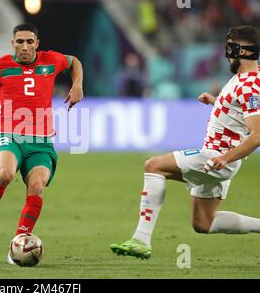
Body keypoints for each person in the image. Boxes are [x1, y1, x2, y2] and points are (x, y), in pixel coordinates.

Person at [110, 25, 260, 259]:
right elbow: (238, 112)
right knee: (203, 223)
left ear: (240, 50)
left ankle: (141, 239)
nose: (227, 53)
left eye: (230, 47)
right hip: (220, 159)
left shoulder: (250, 85)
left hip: (217, 157)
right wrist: (216, 102)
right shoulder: (241, 79)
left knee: (154, 166)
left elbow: (257, 135)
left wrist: (224, 158)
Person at [0, 23, 83, 263]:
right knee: (5, 174)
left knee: (38, 186)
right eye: (20, 41)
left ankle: (18, 244)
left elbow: (74, 62)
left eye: (30, 41)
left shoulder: (50, 60)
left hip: (41, 142)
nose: (25, 46)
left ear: (37, 43)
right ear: (13, 44)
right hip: (10, 135)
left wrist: (77, 84)